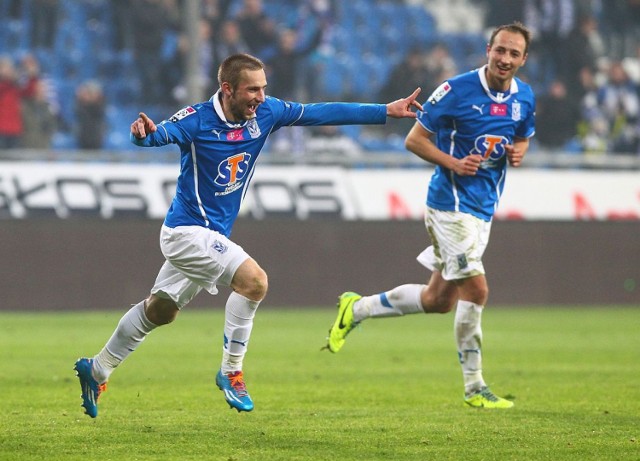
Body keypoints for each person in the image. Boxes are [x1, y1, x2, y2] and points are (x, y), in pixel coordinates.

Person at [74, 53, 422, 418]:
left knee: (160, 311)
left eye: (263, 88)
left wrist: (385, 111)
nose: (260, 96)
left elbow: (319, 111)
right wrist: (144, 136)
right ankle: (231, 372)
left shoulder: (267, 113)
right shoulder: (197, 120)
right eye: (252, 89)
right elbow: (161, 133)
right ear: (227, 89)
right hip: (185, 233)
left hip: (211, 236)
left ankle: (97, 369)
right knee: (254, 282)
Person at [325, 22, 536, 409]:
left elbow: (522, 132)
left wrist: (519, 150)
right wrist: (454, 162)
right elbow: (414, 139)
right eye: (500, 50)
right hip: (449, 205)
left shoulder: (525, 96)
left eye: (513, 53)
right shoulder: (456, 90)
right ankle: (475, 388)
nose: (505, 59)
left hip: (483, 209)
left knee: (439, 300)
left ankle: (356, 309)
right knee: (477, 290)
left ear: (523, 59)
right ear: (487, 50)